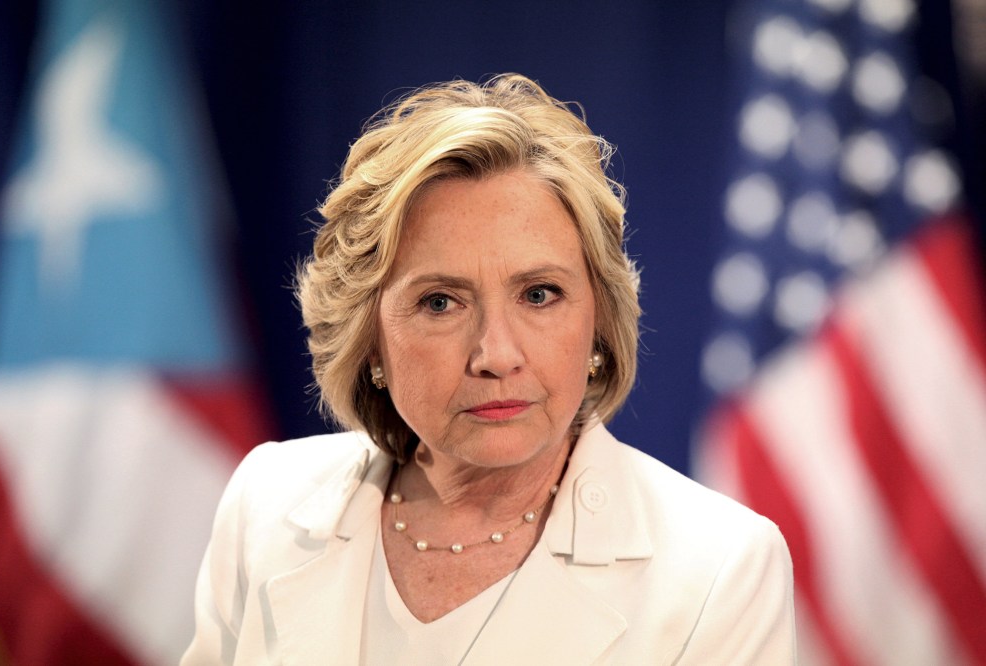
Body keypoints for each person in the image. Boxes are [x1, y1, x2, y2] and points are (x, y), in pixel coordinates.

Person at [181, 74, 796, 665]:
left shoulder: (721, 568)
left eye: (539, 294)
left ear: (599, 325)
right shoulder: (265, 501)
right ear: (368, 339)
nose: (496, 355)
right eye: (440, 302)